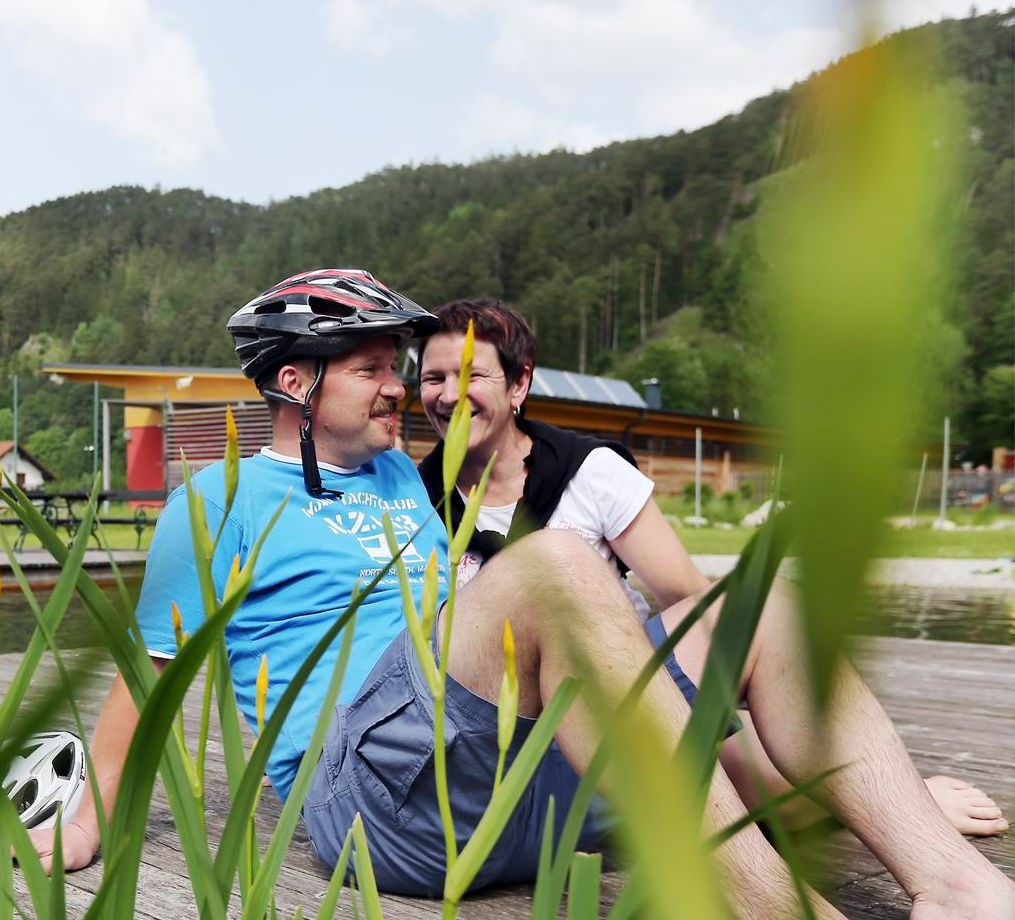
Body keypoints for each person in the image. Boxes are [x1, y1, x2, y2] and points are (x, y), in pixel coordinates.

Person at [0, 270, 1012, 920]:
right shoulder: (222, 500)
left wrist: (858, 790)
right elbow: (154, 678)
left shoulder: (399, 485)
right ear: (295, 379)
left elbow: (542, 669)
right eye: (376, 367)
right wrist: (91, 812)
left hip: (505, 783)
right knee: (555, 563)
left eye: (398, 368)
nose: (403, 391)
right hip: (369, 801)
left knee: (760, 602)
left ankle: (959, 896)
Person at [414, 297, 1007, 839]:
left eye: (469, 376)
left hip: (617, 693)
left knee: (753, 772)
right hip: (495, 723)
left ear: (520, 383)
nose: (445, 395)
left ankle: (903, 802)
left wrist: (720, 723)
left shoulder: (589, 471)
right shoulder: (415, 497)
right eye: (433, 378)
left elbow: (689, 599)